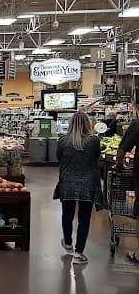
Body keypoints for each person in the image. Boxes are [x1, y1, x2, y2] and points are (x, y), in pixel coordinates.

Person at [56, 111, 102, 265]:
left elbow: (59, 157)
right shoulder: (94, 141)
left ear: (70, 124)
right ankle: (78, 253)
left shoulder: (63, 140)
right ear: (87, 124)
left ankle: (68, 242)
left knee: (67, 214)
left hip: (67, 182)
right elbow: (97, 157)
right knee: (84, 218)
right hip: (87, 183)